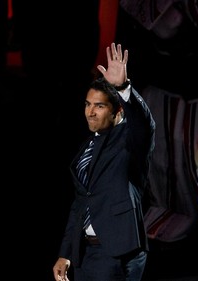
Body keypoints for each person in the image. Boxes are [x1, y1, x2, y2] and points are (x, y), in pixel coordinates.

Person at [52, 43, 155, 281]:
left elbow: (144, 123)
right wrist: (65, 253)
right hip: (86, 253)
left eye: (99, 106)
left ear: (117, 110)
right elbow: (80, 202)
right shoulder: (88, 146)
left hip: (116, 250)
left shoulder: (130, 140)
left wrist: (123, 87)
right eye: (88, 104)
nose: (91, 112)